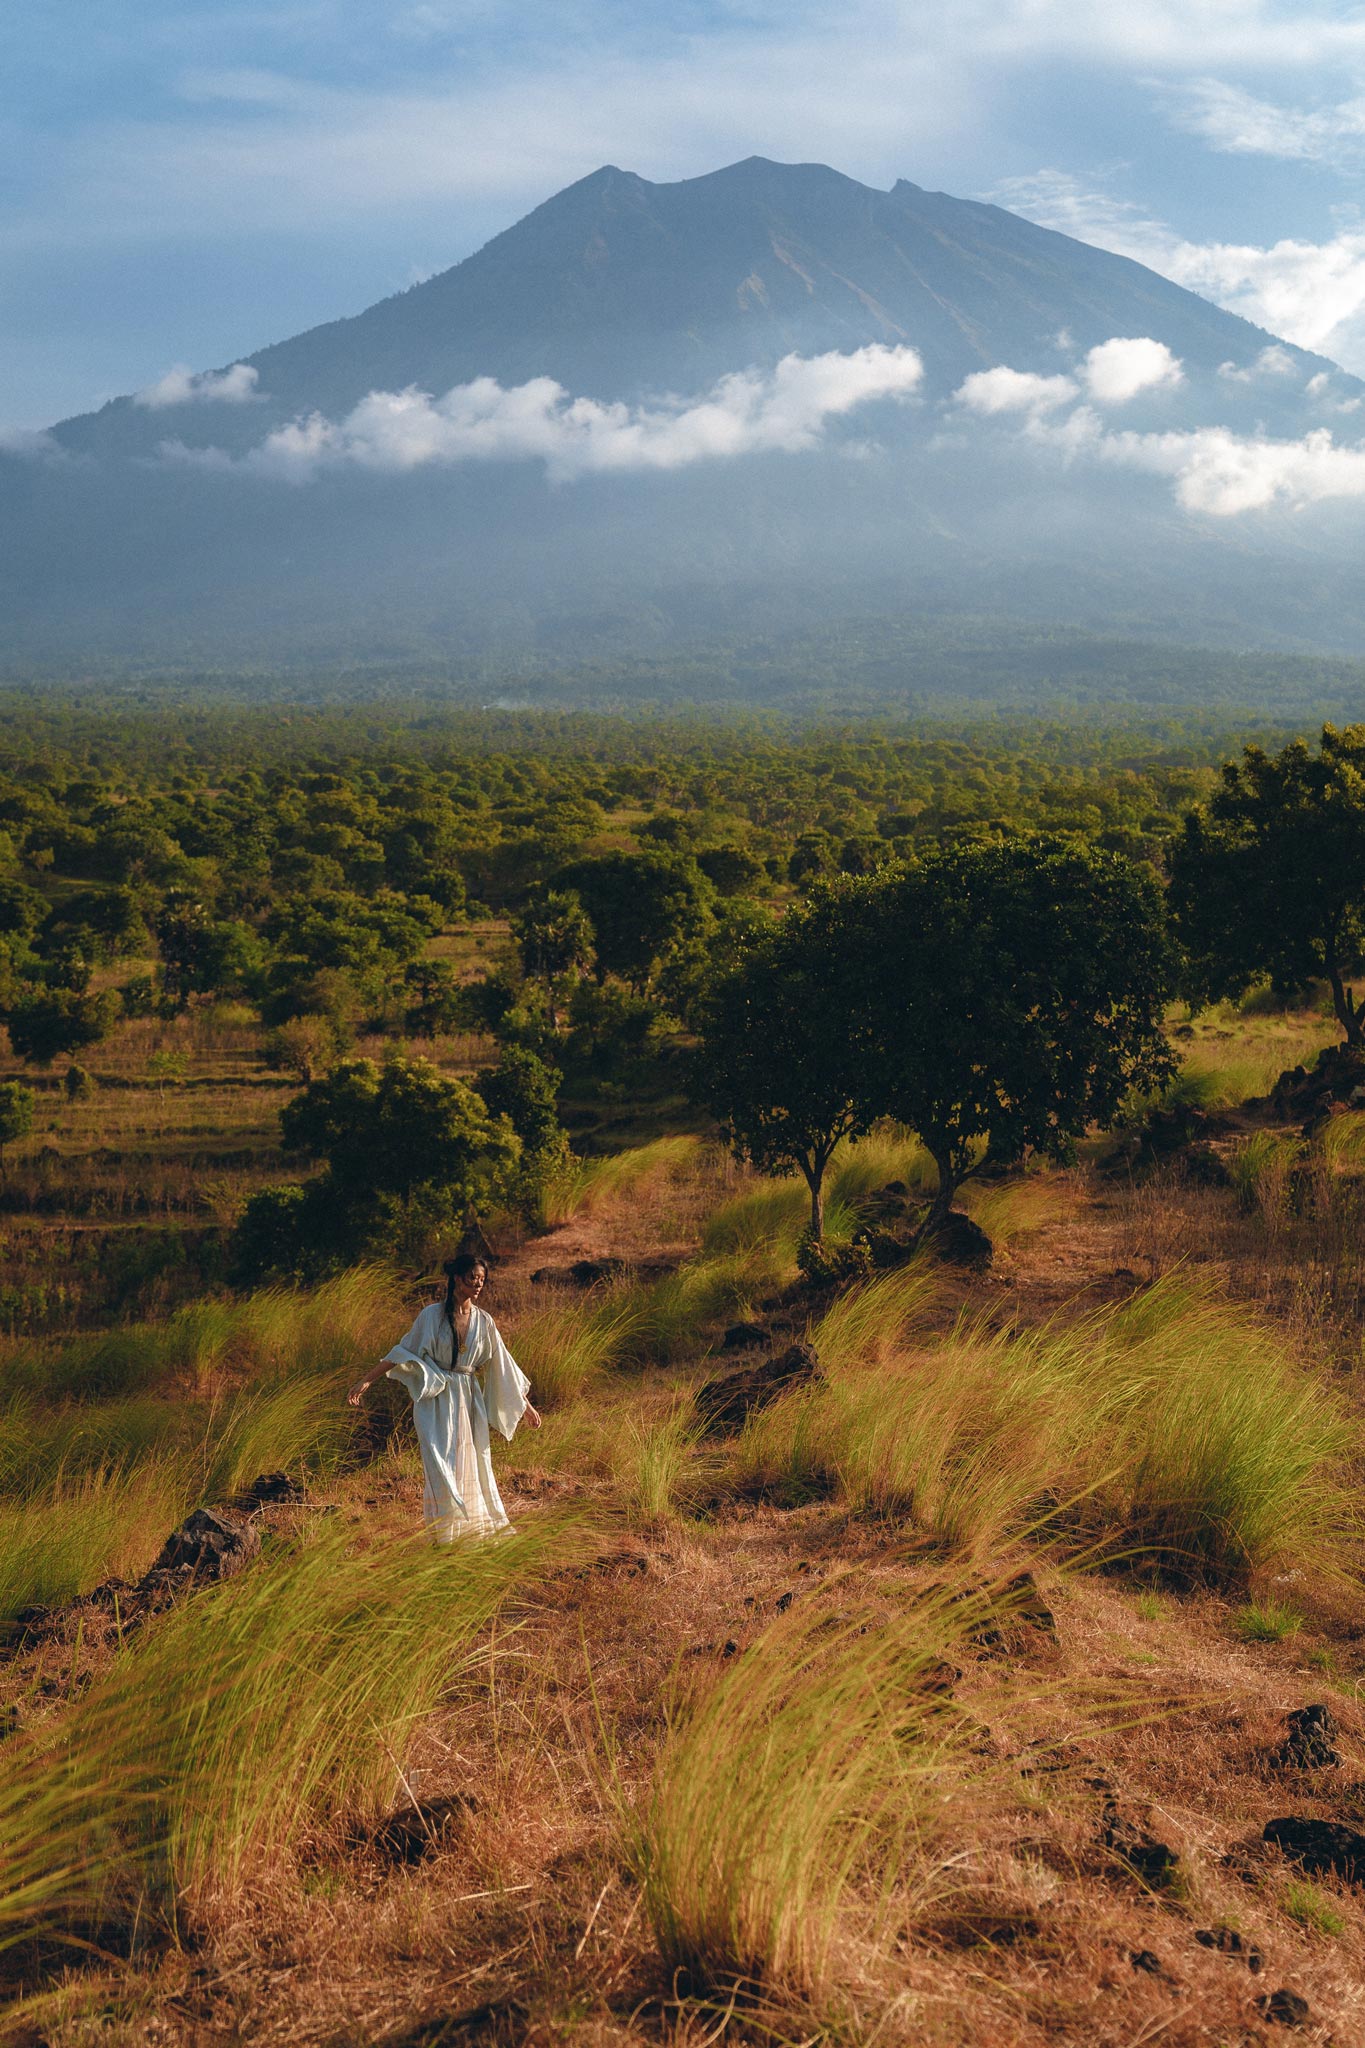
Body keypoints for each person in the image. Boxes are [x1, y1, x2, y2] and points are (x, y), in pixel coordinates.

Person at [347, 1254, 541, 1540]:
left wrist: (525, 1405)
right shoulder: (431, 1316)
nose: (477, 1284)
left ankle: (472, 1532)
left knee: (473, 1461)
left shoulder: (484, 1322)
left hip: (468, 1397)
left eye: (482, 1280)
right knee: (439, 1463)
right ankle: (442, 1536)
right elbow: (404, 1350)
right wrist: (367, 1379)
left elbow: (501, 1364)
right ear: (456, 1278)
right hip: (436, 1399)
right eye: (472, 1278)